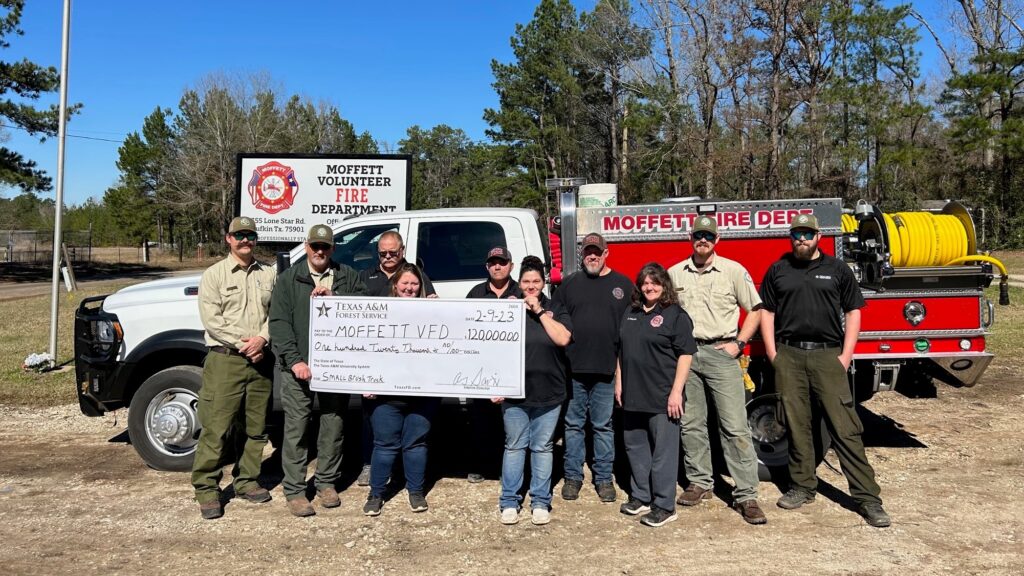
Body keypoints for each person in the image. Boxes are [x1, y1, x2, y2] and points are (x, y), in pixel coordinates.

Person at [759, 213, 891, 528]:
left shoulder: (837, 269)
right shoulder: (779, 269)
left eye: (807, 234)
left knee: (844, 428)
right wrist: (774, 354)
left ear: (818, 236)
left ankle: (868, 499)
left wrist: (846, 355)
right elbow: (766, 311)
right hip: (790, 355)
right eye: (796, 234)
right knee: (796, 425)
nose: (801, 239)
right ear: (791, 238)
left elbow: (854, 311)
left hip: (828, 356)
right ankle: (802, 487)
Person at [667, 215, 767, 525]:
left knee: (734, 426)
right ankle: (700, 482)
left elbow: (756, 309)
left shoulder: (733, 271)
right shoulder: (674, 273)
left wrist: (739, 343)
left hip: (723, 354)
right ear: (690, 238)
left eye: (708, 236)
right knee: (692, 423)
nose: (703, 240)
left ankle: (747, 495)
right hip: (687, 356)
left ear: (717, 240)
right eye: (698, 235)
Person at [269, 224, 366, 517]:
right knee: (297, 428)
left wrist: (336, 296)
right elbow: (279, 323)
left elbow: (367, 307)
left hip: (335, 369)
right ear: (306, 246)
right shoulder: (289, 279)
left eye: (325, 246)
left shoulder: (348, 276)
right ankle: (295, 490)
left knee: (333, 425)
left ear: (333, 248)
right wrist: (295, 360)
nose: (320, 251)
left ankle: (326, 482)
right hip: (298, 367)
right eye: (315, 246)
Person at [191, 216, 277, 520]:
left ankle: (246, 480)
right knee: (217, 427)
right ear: (228, 239)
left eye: (250, 235)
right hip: (226, 359)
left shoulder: (268, 273)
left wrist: (262, 339)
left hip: (259, 360)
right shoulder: (213, 275)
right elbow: (212, 321)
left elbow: (276, 312)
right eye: (239, 235)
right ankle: (206, 488)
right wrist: (246, 345)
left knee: (255, 428)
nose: (245, 240)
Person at [553, 232, 634, 503]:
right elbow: (554, 323)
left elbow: (630, 332)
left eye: (597, 251)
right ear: (582, 254)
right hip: (573, 370)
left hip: (606, 369)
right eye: (588, 251)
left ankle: (603, 478)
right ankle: (573, 476)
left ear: (606, 253)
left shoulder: (623, 285)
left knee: (603, 426)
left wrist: (622, 373)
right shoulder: (568, 285)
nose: (592, 256)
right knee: (573, 425)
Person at [616, 263, 696, 528]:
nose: (649, 287)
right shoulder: (632, 311)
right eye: (645, 283)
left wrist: (676, 393)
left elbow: (685, 354)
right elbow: (622, 351)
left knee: (663, 453)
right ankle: (641, 497)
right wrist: (619, 383)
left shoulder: (675, 315)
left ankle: (664, 505)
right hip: (633, 395)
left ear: (664, 286)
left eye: (655, 283)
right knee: (635, 448)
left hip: (663, 397)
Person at [494, 256, 572, 526]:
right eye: (526, 281)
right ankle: (509, 501)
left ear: (543, 283)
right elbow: (491, 350)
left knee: (542, 447)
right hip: (515, 394)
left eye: (536, 282)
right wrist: (494, 383)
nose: (530, 286)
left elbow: (563, 338)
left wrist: (538, 311)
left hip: (550, 392)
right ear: (519, 282)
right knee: (515, 446)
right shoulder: (506, 307)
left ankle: (540, 501)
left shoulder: (555, 306)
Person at [356, 230, 436, 486]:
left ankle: (406, 472)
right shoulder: (364, 276)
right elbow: (348, 311)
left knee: (414, 429)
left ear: (402, 251)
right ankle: (371, 464)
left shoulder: (418, 276)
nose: (388, 256)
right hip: (378, 365)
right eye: (383, 253)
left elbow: (435, 311)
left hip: (413, 368)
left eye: (393, 252)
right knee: (372, 419)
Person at [362, 263, 441, 516]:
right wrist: (365, 380)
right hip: (387, 395)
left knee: (416, 444)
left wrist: (443, 312)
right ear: (395, 285)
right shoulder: (378, 313)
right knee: (385, 445)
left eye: (414, 284)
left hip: (423, 394)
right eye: (405, 283)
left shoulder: (435, 312)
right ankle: (376, 494)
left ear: (421, 287)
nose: (409, 288)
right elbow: (364, 348)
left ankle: (415, 491)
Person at [465, 246, 524, 483]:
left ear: (511, 265)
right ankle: (481, 465)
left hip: (513, 367)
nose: (497, 266)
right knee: (480, 419)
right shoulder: (476, 292)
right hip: (482, 366)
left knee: (509, 419)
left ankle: (506, 467)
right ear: (487, 267)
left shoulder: (521, 291)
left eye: (502, 262)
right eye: (493, 263)